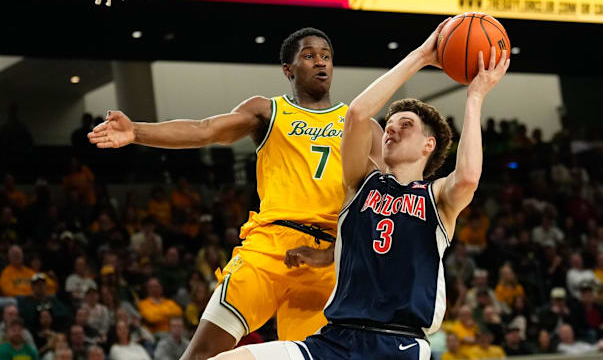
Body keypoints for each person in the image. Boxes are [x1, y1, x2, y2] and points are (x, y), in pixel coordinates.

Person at [207, 20, 509, 359]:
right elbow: (358, 114)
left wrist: (476, 96)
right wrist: (421, 55)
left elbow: (468, 176)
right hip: (335, 339)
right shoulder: (361, 183)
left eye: (404, 125)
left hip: (398, 343)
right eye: (390, 126)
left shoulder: (437, 198)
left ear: (429, 144)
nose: (391, 131)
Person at [89, 27, 384, 360]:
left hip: (332, 257)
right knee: (201, 353)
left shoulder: (361, 123)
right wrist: (137, 131)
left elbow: (388, 202)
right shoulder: (267, 111)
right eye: (309, 55)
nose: (320, 63)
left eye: (326, 56)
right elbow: (205, 130)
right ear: (288, 69)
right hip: (270, 246)